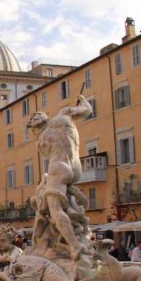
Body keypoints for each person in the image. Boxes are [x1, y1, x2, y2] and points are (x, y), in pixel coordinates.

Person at [27, 95, 94, 262]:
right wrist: (82, 100)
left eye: (33, 131)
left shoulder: (41, 140)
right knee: (59, 198)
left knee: (55, 211)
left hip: (58, 167)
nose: (34, 134)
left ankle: (74, 245)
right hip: (76, 167)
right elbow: (87, 110)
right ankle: (74, 231)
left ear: (35, 128)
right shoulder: (63, 115)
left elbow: (45, 153)